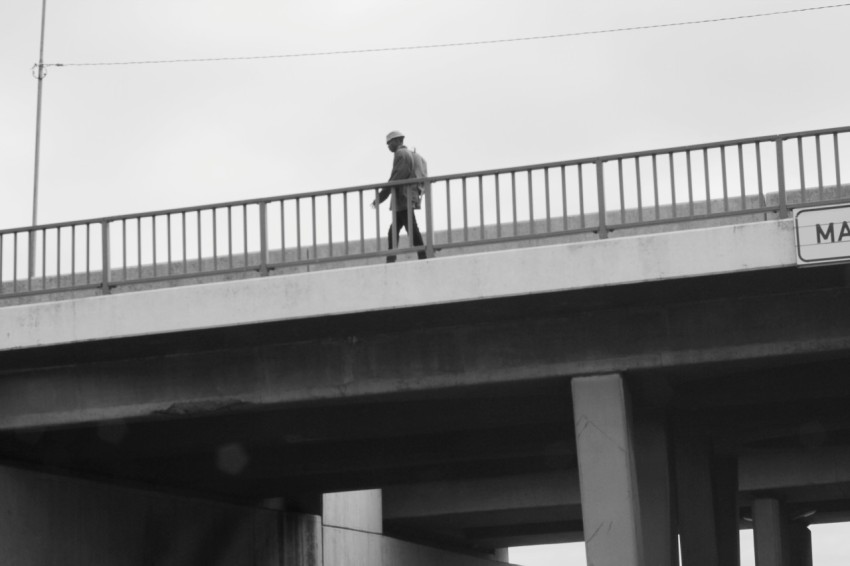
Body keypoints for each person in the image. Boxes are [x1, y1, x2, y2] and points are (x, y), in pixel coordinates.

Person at [372, 130, 428, 262]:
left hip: (403, 197)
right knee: (395, 230)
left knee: (411, 228)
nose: (388, 146)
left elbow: (396, 177)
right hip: (407, 196)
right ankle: (393, 258)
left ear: (397, 141)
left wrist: (381, 197)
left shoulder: (400, 154)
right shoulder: (413, 154)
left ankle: (423, 255)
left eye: (389, 143)